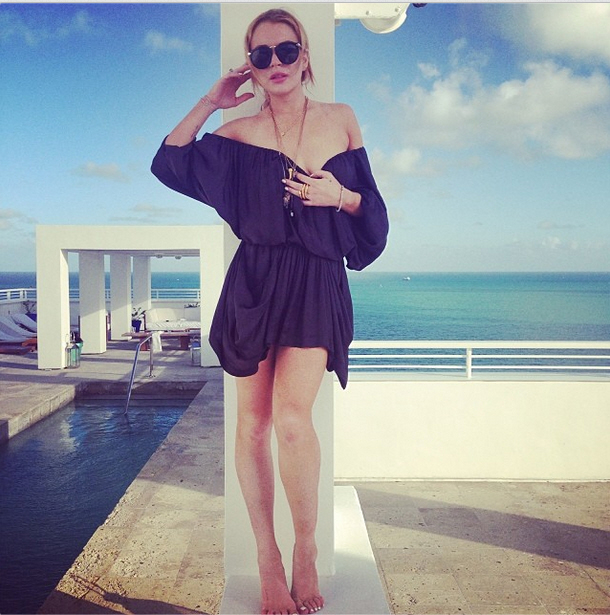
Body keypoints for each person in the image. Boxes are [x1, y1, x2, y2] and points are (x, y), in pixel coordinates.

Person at [151, 8, 388, 615]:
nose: (275, 63)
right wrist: (211, 101)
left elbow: (374, 215)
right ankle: (267, 559)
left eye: (286, 51)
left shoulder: (341, 119)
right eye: (262, 55)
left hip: (316, 279)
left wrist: (340, 195)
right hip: (254, 282)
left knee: (291, 419)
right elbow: (169, 162)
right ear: (251, 68)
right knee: (251, 423)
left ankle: (306, 549)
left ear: (304, 56)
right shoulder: (236, 135)